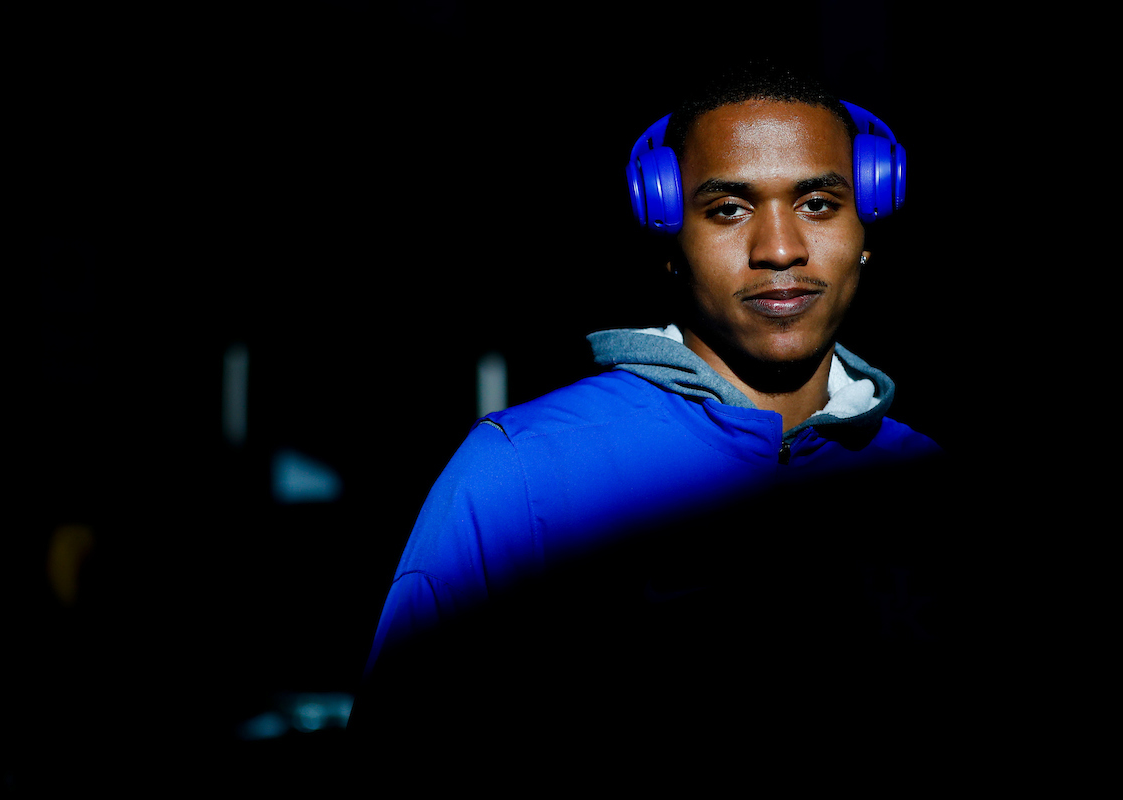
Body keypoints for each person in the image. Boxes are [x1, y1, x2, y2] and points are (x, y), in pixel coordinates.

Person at [351, 62, 950, 774]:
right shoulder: (523, 470)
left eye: (818, 203)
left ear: (869, 224)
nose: (780, 248)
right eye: (729, 208)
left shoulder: (928, 487)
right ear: (668, 232)